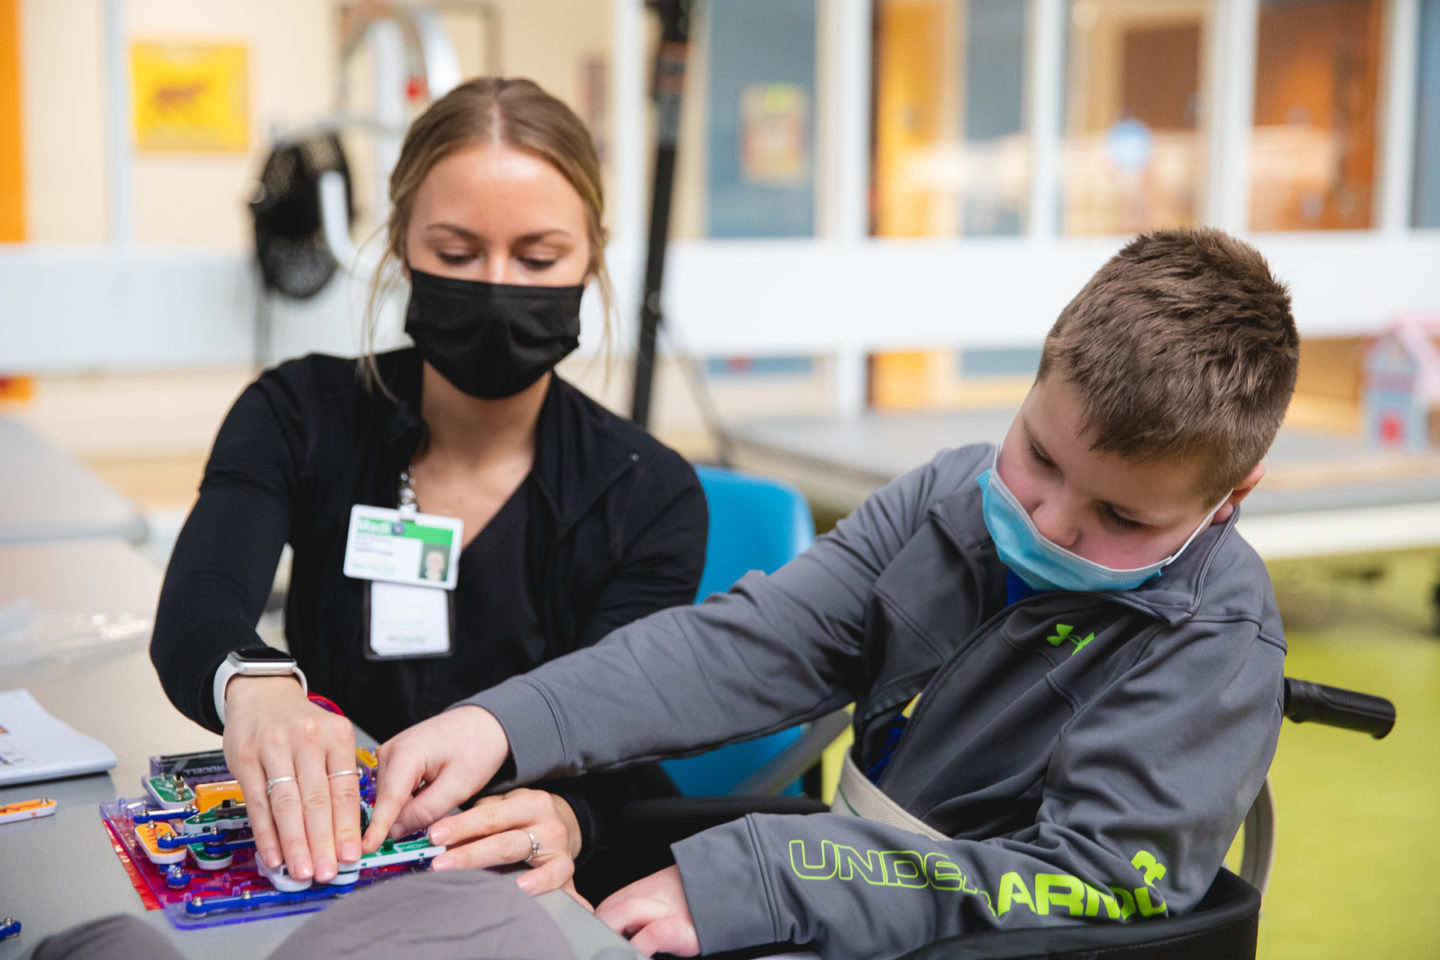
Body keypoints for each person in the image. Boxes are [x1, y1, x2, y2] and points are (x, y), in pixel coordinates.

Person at [363, 228, 1298, 959]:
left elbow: (1085, 881)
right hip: (855, 893)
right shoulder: (946, 498)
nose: (1050, 520)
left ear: (1232, 497)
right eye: (1040, 457)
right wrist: (505, 723)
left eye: (1121, 518)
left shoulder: (1214, 642)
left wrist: (759, 884)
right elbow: (748, 645)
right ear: (1033, 380)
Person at [150, 77, 707, 902]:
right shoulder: (299, 413)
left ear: (592, 255)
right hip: (335, 864)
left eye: (538, 257)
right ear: (400, 244)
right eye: (455, 253)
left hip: (533, 888)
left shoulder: (648, 494)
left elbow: (620, 736)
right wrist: (255, 686)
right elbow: (198, 607)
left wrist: (567, 815)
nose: (496, 286)